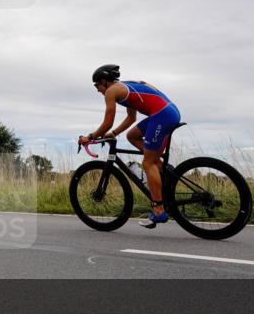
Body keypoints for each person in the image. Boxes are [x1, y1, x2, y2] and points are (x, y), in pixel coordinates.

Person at [78, 64, 182, 228]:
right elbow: (131, 118)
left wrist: (90, 137)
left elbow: (107, 122)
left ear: (104, 81)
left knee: (148, 163)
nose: (98, 90)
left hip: (162, 116)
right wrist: (113, 133)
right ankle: (161, 168)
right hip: (167, 112)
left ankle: (158, 210)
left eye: (97, 86)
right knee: (132, 136)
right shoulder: (125, 87)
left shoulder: (112, 91)